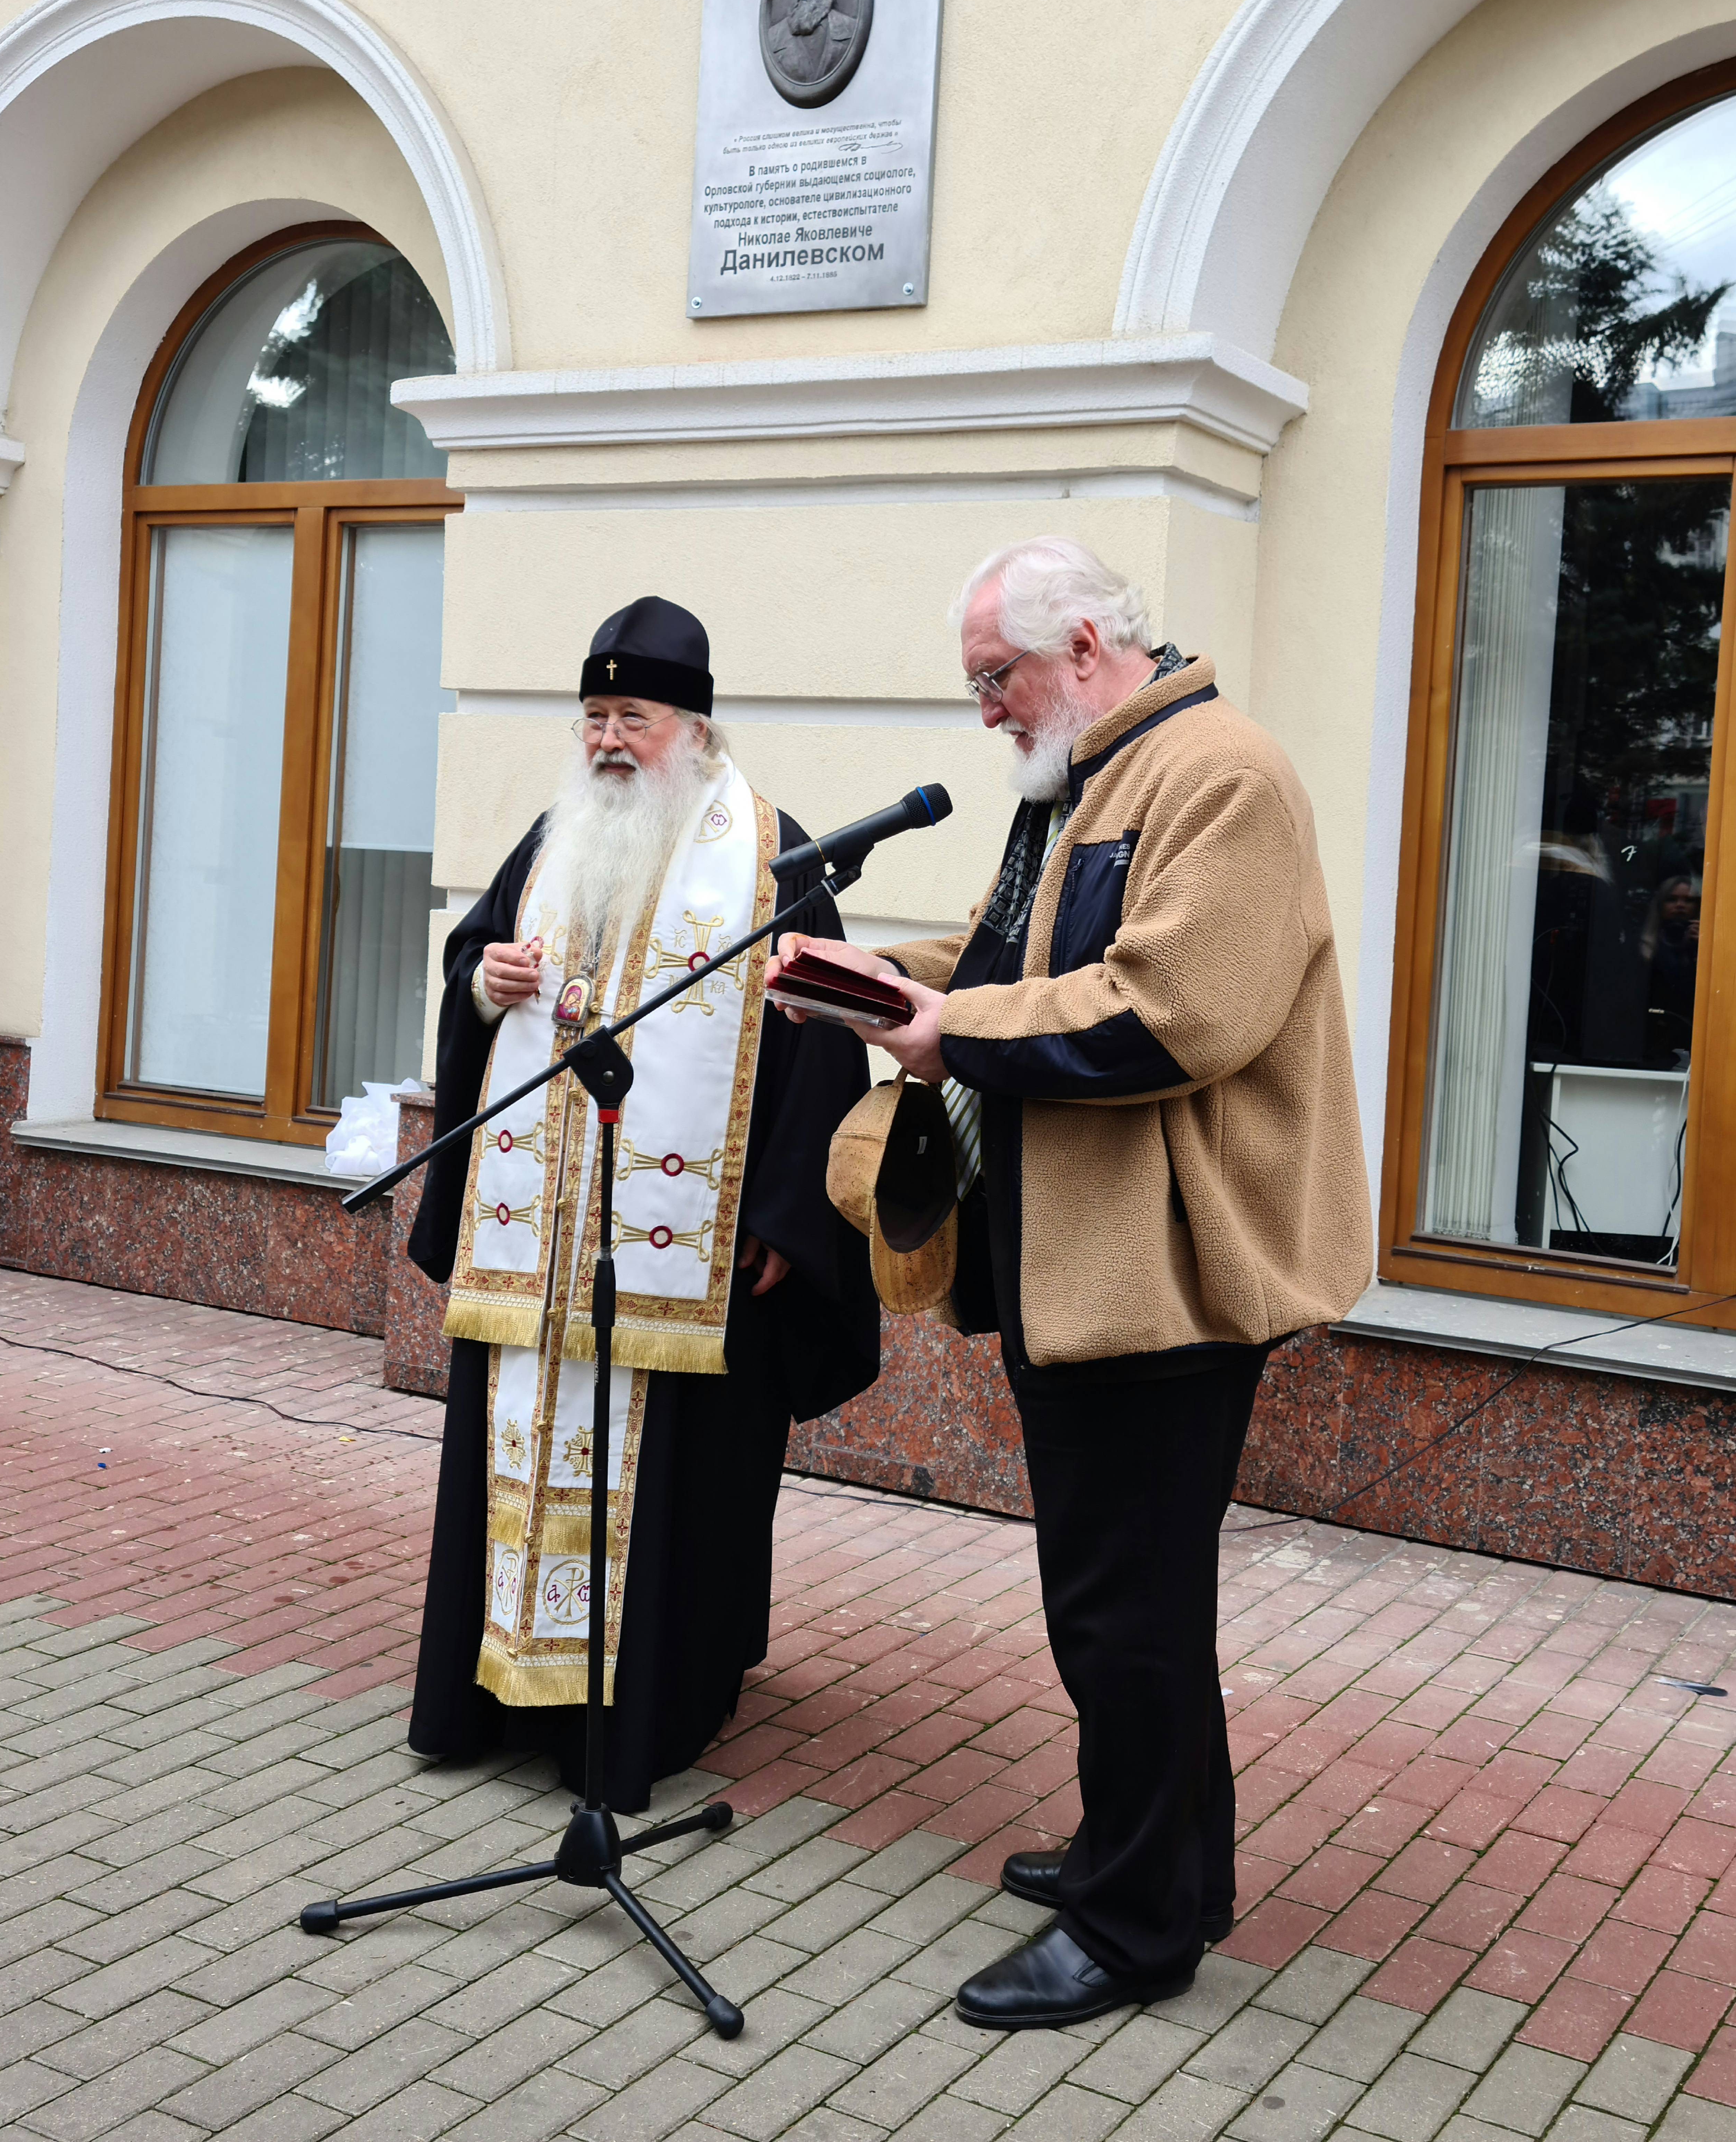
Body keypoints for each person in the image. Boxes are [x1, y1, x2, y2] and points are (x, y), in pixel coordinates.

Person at [768, 538, 1373, 2029]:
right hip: (1078, 1259)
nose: (983, 708)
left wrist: (946, 1031)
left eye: (997, 676)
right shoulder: (1082, 779)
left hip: (1163, 1275)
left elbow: (1170, 1012)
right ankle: (1157, 1859)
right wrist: (858, 976)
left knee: (1123, 1610)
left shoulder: (1219, 774)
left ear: (1086, 644)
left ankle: (1131, 1926)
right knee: (1126, 1599)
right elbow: (1005, 958)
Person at [407, 595, 880, 1811]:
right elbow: (474, 961)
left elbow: (823, 1037)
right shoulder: (550, 842)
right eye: (595, 717)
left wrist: (782, 1215)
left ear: (695, 728)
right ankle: (491, 1690)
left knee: (672, 1484)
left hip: (681, 1260)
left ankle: (636, 1717)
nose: (609, 740)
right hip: (540, 1253)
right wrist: (482, 981)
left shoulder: (768, 857)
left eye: (634, 717)